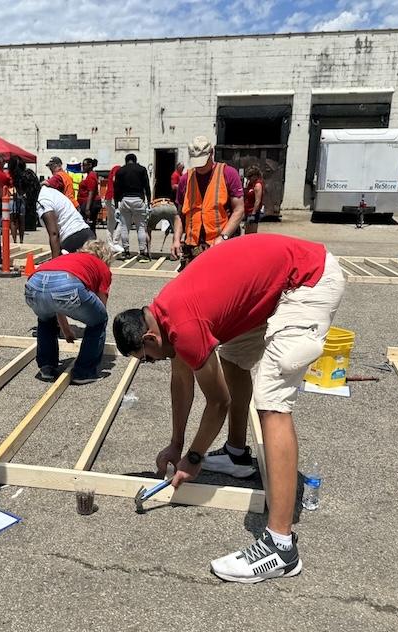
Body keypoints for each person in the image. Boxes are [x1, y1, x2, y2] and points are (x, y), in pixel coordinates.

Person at [112, 234, 345, 583]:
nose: (152, 363)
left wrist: (193, 458)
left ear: (149, 339)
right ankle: (236, 454)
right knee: (234, 359)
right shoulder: (164, 315)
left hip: (307, 281)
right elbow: (182, 380)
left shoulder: (184, 327)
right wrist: (176, 443)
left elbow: (217, 402)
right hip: (281, 280)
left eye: (146, 360)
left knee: (272, 401)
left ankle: (281, 546)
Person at [25, 239, 114, 385]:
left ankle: (47, 367)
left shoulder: (67, 257)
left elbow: (56, 303)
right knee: (99, 320)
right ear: (106, 257)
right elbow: (100, 306)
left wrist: (66, 330)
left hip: (34, 283)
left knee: (45, 319)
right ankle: (84, 372)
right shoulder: (101, 266)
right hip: (67, 283)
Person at [171, 136, 244, 270]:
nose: (200, 166)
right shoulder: (185, 179)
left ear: (211, 153)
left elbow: (239, 210)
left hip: (221, 244)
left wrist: (224, 236)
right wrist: (176, 239)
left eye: (203, 161)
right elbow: (179, 214)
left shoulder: (228, 174)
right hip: (193, 246)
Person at [36, 181, 93, 256]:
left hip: (73, 240)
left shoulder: (43, 201)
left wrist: (55, 263)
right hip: (87, 234)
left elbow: (54, 234)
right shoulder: (50, 191)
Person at [114, 153, 152, 260]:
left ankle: (126, 251)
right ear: (135, 160)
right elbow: (147, 187)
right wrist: (149, 202)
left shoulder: (120, 171)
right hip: (138, 200)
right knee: (140, 227)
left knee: (124, 227)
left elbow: (116, 189)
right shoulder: (142, 169)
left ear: (126, 161)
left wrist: (116, 206)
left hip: (125, 200)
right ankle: (142, 252)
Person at [78, 158, 101, 232]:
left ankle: (91, 241)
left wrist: (87, 208)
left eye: (84, 165)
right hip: (87, 203)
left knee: (89, 226)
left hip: (91, 204)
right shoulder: (89, 175)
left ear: (90, 165)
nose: (83, 167)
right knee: (89, 227)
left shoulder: (91, 176)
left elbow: (91, 192)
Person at [104, 163, 121, 251]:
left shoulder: (114, 168)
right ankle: (115, 242)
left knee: (111, 221)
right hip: (114, 198)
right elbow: (115, 180)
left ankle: (110, 243)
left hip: (108, 197)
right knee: (123, 220)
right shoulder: (118, 168)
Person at [243, 165, 264, 234]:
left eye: (250, 176)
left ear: (255, 175)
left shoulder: (258, 185)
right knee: (246, 232)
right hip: (247, 210)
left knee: (252, 232)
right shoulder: (250, 184)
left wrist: (253, 214)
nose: (249, 178)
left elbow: (257, 201)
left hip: (253, 212)